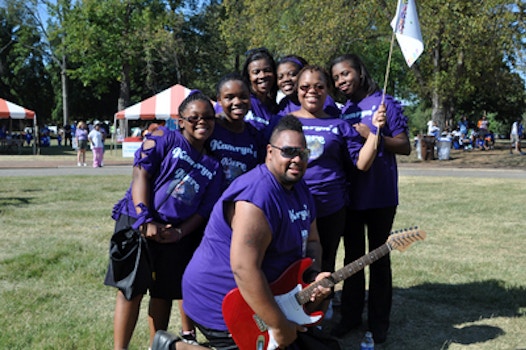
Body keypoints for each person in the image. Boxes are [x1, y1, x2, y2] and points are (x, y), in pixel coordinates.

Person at [173, 115, 332, 350]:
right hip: (223, 301)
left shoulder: (301, 189)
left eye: (303, 154)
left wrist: (312, 277)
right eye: (288, 152)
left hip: (268, 294)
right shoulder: (257, 196)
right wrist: (278, 325)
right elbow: (244, 268)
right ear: (270, 152)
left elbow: (314, 240)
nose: (297, 159)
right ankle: (178, 347)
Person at [104, 91, 224, 350]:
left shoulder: (214, 166)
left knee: (164, 294)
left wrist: (179, 233)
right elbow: (141, 175)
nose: (201, 122)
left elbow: (203, 210)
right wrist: (145, 219)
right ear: (181, 120)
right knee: (130, 290)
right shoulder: (163, 137)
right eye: (194, 117)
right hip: (137, 223)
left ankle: (156, 346)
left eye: (208, 117)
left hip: (174, 235)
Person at [329, 53, 411, 344]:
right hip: (351, 195)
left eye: (345, 74)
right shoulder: (344, 109)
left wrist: (372, 135)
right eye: (336, 77)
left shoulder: (385, 102)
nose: (341, 81)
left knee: (378, 259)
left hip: (380, 195)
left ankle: (379, 324)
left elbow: (405, 146)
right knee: (352, 259)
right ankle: (350, 317)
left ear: (359, 72)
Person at [290, 65, 386, 276]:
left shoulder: (339, 125)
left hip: (330, 208)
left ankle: (323, 307)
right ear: (296, 90)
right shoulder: (283, 122)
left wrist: (374, 131)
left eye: (319, 86)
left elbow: (362, 163)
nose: (312, 91)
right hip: (291, 206)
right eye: (305, 87)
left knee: (325, 261)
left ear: (328, 90)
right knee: (289, 262)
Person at [208, 72, 266, 188]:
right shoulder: (210, 128)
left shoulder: (255, 134)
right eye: (229, 97)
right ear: (219, 100)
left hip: (241, 200)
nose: (237, 102)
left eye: (243, 97)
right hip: (211, 202)